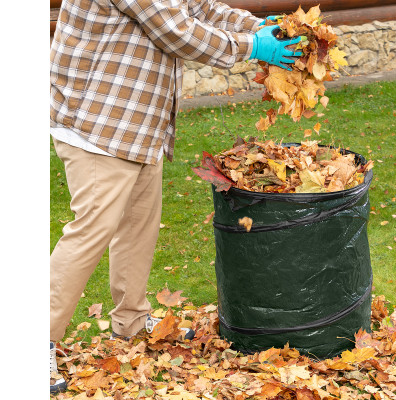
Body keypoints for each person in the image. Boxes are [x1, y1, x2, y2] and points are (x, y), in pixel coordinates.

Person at [49, 0, 301, 394]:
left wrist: (259, 26)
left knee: (138, 228)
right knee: (90, 234)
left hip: (135, 125)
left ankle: (131, 322)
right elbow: (177, 30)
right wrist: (253, 45)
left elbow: (197, 7)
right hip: (98, 123)